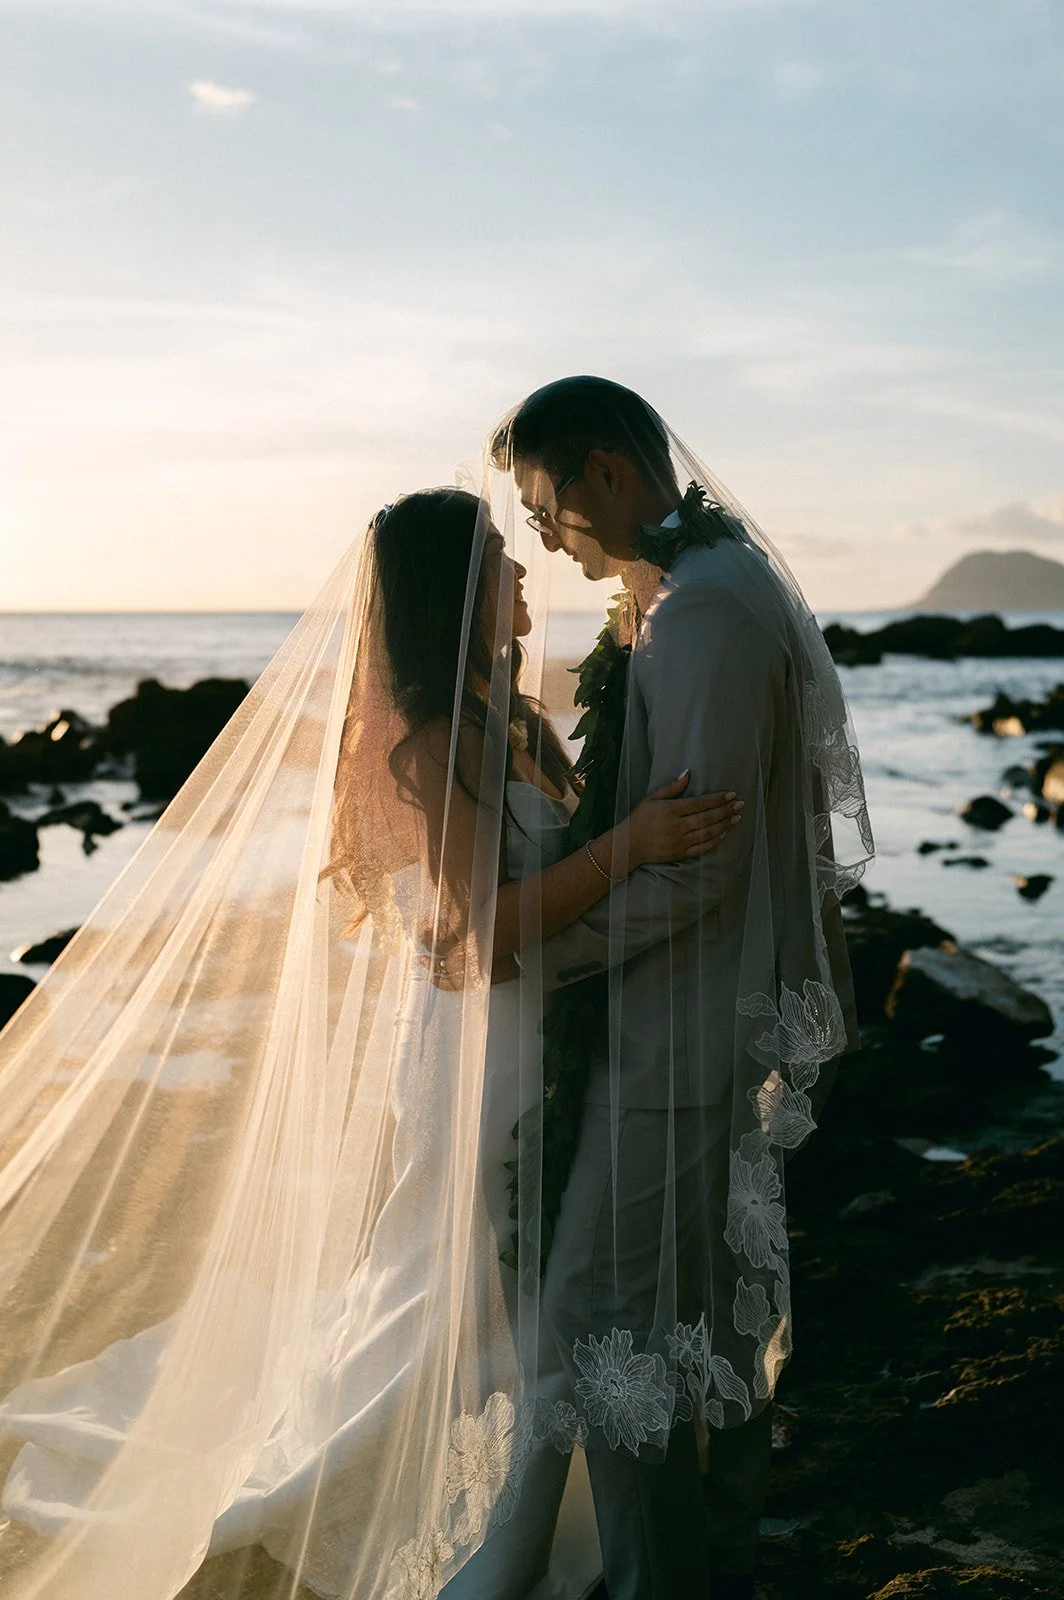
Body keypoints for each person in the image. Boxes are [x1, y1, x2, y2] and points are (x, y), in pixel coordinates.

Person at [0, 487, 739, 1600]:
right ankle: (431, 1504)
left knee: (519, 1276)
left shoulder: (509, 721)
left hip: (535, 1029)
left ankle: (529, 1496)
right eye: (501, 557)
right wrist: (632, 847)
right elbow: (483, 934)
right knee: (474, 1277)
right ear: (453, 587)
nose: (525, 573)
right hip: (480, 1046)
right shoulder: (435, 741)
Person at [483, 378, 871, 1600]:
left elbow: (697, 870)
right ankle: (711, 1557)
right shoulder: (695, 588)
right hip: (685, 1019)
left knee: (606, 1312)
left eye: (545, 505)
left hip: (678, 1026)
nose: (547, 536)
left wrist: (546, 953)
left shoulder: (703, 616)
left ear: (603, 469)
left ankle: (656, 1581)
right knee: (689, 1306)